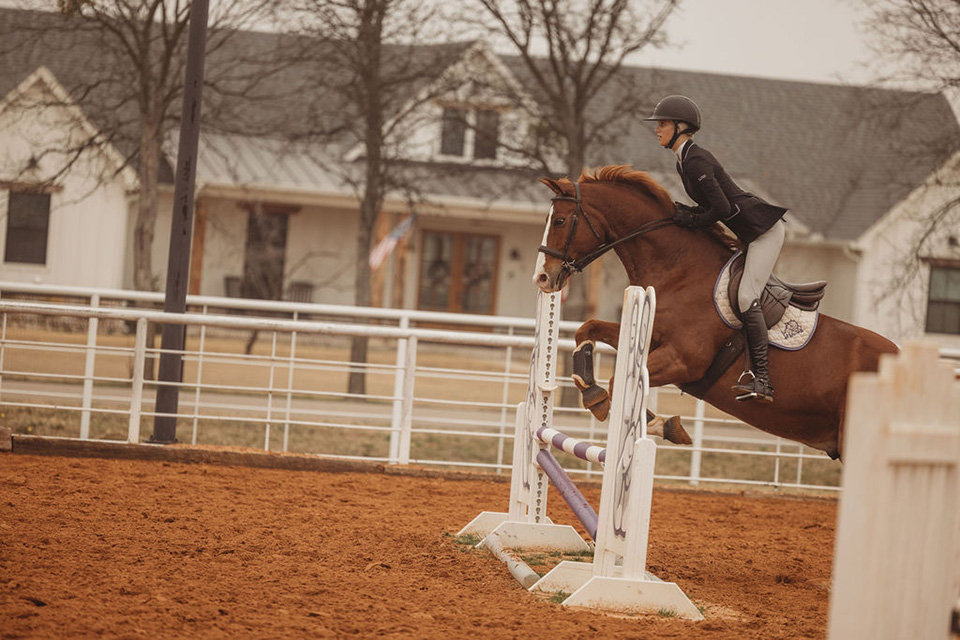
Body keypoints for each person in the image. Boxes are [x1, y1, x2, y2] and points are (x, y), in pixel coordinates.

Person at [644, 95, 787, 403]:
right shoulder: (685, 160)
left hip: (764, 233)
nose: (657, 129)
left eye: (663, 124)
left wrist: (692, 220)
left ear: (681, 127)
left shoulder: (695, 161)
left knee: (747, 296)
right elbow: (712, 206)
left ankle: (763, 380)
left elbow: (720, 208)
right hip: (750, 233)